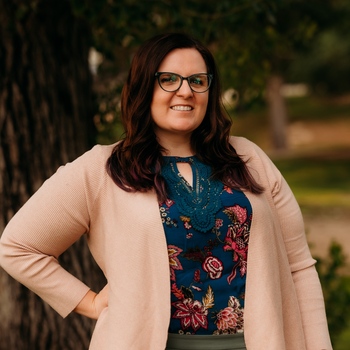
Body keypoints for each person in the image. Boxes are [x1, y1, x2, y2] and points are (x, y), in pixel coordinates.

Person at [0, 33, 332, 350]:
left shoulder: (249, 159)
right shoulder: (101, 170)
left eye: (197, 81)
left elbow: (299, 267)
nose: (185, 91)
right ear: (144, 87)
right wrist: (89, 302)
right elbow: (18, 246)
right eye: (169, 79)